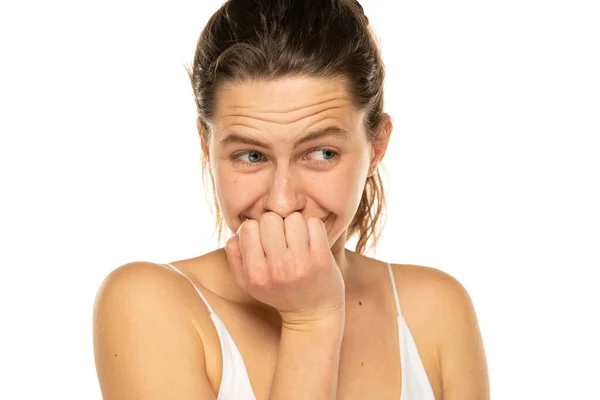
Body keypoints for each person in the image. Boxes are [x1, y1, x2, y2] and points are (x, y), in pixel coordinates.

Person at [93, 0, 490, 399]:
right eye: (251, 156)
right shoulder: (147, 304)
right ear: (205, 145)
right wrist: (311, 321)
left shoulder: (438, 311)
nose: (282, 203)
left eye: (321, 154)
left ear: (377, 145)